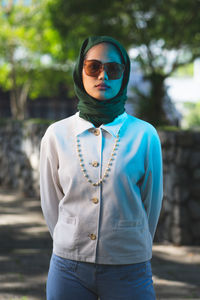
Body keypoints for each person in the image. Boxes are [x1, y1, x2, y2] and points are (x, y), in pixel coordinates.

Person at [40, 35, 163, 300]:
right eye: (93, 67)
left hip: (129, 268)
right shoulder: (56, 134)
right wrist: (70, 239)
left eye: (113, 68)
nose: (103, 76)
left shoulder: (145, 135)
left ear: (124, 75)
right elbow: (52, 204)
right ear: (80, 71)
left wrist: (129, 244)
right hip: (68, 268)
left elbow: (151, 204)